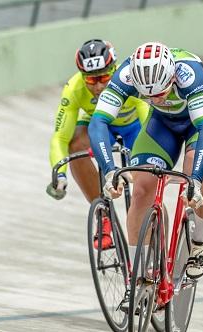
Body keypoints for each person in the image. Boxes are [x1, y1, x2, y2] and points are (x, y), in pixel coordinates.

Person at [88, 42, 203, 279]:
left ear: (172, 77)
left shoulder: (189, 74)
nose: (156, 99)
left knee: (199, 175)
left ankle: (200, 241)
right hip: (162, 124)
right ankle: (137, 276)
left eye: (160, 94)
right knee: (141, 189)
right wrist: (110, 169)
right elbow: (98, 123)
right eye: (148, 96)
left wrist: (195, 179)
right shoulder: (127, 75)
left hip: (199, 124)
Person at [46, 39, 149, 249]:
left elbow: (150, 122)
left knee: (145, 182)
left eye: (103, 77)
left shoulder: (130, 79)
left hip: (134, 127)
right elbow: (60, 137)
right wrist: (60, 174)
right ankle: (103, 214)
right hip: (99, 126)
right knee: (75, 145)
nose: (99, 86)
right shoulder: (74, 88)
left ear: (114, 68)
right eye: (91, 81)